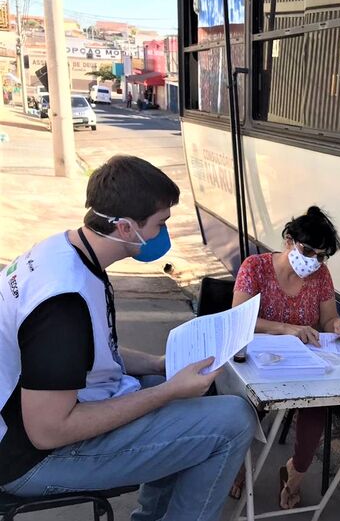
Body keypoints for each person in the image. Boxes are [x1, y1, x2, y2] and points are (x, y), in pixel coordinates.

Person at [0, 155, 256, 521]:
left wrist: (158, 366)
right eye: (160, 223)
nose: (162, 234)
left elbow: (86, 354)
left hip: (25, 427)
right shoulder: (62, 303)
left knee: (160, 382)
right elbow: (49, 431)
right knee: (233, 421)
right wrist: (167, 392)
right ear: (124, 228)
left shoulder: (65, 250)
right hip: (30, 459)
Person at [232, 206, 340, 509]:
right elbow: (239, 319)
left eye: (322, 255)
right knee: (244, 413)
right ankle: (235, 467)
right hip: (257, 363)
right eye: (308, 250)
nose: (313, 261)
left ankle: (293, 477)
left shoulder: (321, 275)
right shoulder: (255, 267)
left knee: (317, 410)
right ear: (288, 240)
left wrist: (338, 326)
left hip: (302, 364)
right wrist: (286, 328)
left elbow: (328, 321)